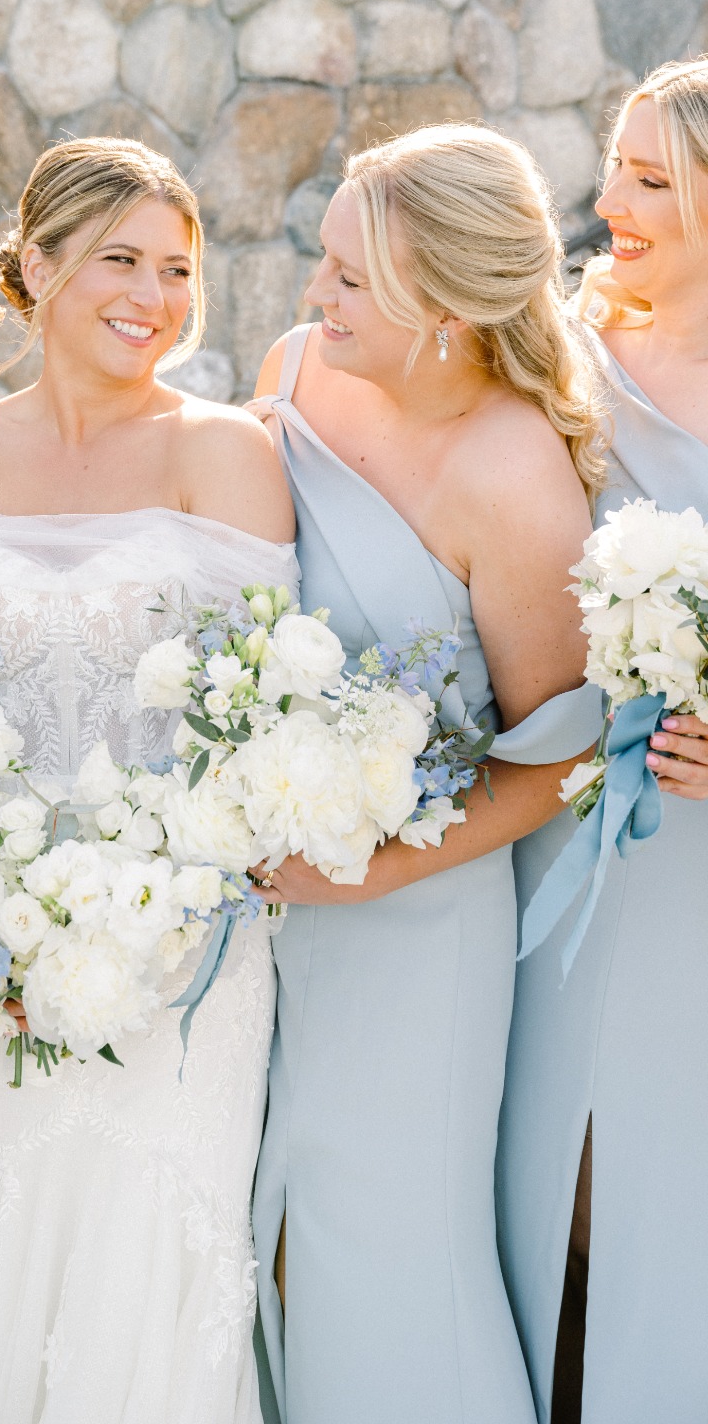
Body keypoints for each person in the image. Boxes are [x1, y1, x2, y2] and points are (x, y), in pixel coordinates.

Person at [0, 136, 297, 1424]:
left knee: (153, 1274)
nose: (155, 298)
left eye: (179, 270)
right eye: (121, 260)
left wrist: (141, 920)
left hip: (178, 966)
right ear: (36, 266)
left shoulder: (223, 451)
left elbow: (255, 723)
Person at [249, 125, 605, 1424]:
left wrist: (362, 872)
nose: (313, 296)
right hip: (262, 897)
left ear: (444, 309)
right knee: (253, 1233)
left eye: (348, 279)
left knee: (387, 1251)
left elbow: (557, 767)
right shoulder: (296, 372)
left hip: (414, 922)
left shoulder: (519, 485)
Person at [498, 59, 708, 1424]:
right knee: (548, 1154)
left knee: (675, 1175)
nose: (608, 202)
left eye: (650, 178)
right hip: (560, 820)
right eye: (612, 169)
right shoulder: (552, 368)